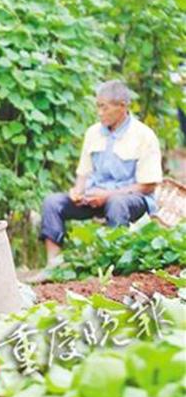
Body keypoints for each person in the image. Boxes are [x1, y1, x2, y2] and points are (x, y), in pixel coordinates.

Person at [36, 80, 162, 279]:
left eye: (104, 107)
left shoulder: (144, 135)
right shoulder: (93, 133)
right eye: (98, 107)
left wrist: (108, 195)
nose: (99, 112)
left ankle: (115, 267)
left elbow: (147, 185)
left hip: (131, 199)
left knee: (116, 203)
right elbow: (83, 173)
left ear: (122, 106)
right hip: (94, 196)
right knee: (52, 202)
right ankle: (53, 266)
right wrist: (77, 191)